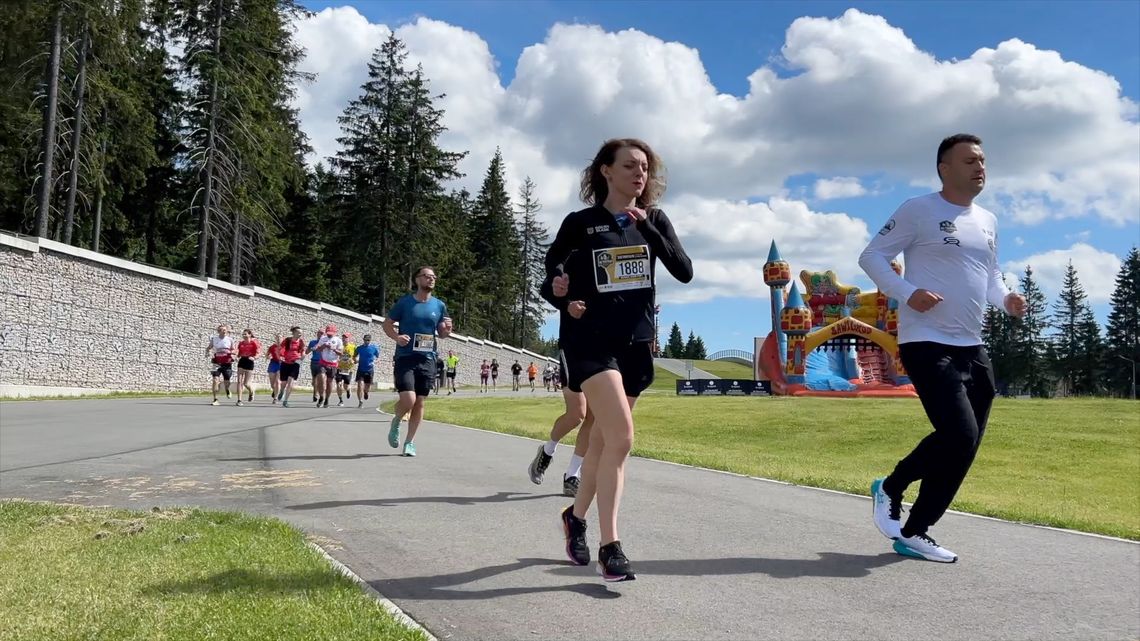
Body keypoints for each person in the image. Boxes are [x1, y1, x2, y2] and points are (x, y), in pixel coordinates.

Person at [859, 133, 1027, 563]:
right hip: (927, 342)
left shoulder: (988, 220)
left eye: (984, 160)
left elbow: (990, 276)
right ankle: (894, 486)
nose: (980, 167)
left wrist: (1005, 299)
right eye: (970, 160)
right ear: (944, 168)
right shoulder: (919, 210)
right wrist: (906, 291)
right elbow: (872, 256)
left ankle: (915, 531)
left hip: (973, 345)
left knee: (964, 445)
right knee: (960, 433)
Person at [544, 137, 692, 582]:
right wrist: (560, 295)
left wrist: (649, 229)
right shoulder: (581, 223)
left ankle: (575, 517)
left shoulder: (655, 220)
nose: (639, 173)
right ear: (606, 170)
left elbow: (683, 271)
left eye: (644, 167)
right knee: (622, 437)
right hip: (589, 341)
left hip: (635, 344)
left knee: (606, 444)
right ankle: (611, 546)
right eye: (629, 165)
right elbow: (551, 275)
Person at [383, 266, 453, 457]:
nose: (431, 279)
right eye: (427, 276)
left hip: (428, 358)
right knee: (409, 399)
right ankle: (397, 420)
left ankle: (409, 442)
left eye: (434, 277)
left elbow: (442, 333)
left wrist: (447, 329)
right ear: (417, 280)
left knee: (420, 401)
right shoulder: (405, 303)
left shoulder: (439, 305)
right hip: (405, 357)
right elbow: (387, 324)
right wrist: (397, 338)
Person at [529, 358, 594, 497]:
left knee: (593, 417)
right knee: (577, 415)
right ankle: (547, 450)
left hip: (603, 353)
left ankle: (572, 476)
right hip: (576, 349)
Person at [313, 325, 343, 408]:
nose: (329, 335)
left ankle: (326, 399)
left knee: (329, 382)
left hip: (333, 364)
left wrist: (333, 348)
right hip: (323, 362)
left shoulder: (338, 340)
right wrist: (324, 346)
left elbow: (341, 353)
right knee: (321, 378)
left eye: (331, 333)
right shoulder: (323, 339)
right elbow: (318, 349)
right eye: (328, 333)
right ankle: (321, 397)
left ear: (335, 333)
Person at [205, 324, 235, 405]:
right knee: (215, 380)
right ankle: (215, 399)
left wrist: (233, 354)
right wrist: (207, 352)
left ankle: (227, 389)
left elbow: (233, 349)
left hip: (227, 362)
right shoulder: (214, 339)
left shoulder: (230, 339)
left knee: (227, 380)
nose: (224, 331)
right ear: (218, 331)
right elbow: (209, 347)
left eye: (225, 329)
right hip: (216, 362)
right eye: (222, 330)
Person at [277, 326, 305, 407]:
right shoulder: (287, 340)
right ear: (294, 333)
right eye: (299, 333)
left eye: (301, 333)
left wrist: (302, 356)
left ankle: (285, 400)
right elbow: (281, 349)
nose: (300, 334)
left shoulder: (301, 342)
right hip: (285, 362)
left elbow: (302, 351)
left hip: (295, 363)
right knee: (284, 382)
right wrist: (281, 356)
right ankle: (282, 391)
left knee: (291, 381)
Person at [234, 329, 261, 406]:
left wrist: (255, 357)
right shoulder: (241, 343)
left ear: (250, 335)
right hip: (242, 360)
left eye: (245, 334)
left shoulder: (254, 342)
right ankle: (239, 400)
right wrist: (236, 356)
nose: (244, 336)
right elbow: (238, 352)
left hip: (250, 361)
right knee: (239, 381)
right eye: (243, 334)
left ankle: (251, 392)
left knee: (246, 383)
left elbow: (259, 352)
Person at [354, 334, 380, 408]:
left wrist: (375, 362)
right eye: (365, 340)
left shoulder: (374, 348)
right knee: (360, 385)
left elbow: (378, 357)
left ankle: (366, 392)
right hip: (361, 369)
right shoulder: (359, 348)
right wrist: (355, 360)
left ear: (370, 340)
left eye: (368, 340)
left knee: (367, 386)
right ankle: (360, 401)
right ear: (363, 340)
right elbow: (354, 356)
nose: (367, 341)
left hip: (369, 369)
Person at [335, 332, 356, 407]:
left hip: (348, 369)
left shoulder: (353, 347)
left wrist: (355, 360)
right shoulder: (339, 346)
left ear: (349, 339)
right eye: (343, 337)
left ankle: (348, 390)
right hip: (339, 368)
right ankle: (340, 400)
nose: (344, 339)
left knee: (345, 386)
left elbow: (356, 356)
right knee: (339, 385)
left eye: (346, 337)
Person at [306, 329, 324, 404]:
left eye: (322, 334)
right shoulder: (312, 342)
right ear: (317, 334)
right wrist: (311, 349)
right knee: (314, 381)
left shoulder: (325, 343)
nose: (321, 335)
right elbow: (306, 352)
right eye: (320, 333)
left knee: (321, 380)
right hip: (314, 362)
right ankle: (315, 393)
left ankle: (320, 395)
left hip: (322, 363)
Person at [266, 333, 283, 404]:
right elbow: (267, 354)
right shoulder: (272, 347)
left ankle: (275, 398)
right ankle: (276, 390)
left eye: (280, 337)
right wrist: (268, 356)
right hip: (273, 363)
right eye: (277, 337)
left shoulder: (285, 347)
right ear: (275, 339)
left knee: (278, 381)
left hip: (281, 364)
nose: (278, 339)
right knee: (272, 384)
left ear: (282, 339)